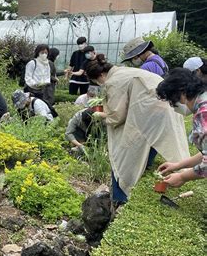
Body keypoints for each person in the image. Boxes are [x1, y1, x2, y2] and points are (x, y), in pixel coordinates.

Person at [85, 57, 189, 205]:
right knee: (152, 142)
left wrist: (100, 115)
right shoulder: (125, 72)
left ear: (101, 75)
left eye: (97, 82)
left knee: (123, 158)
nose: (99, 84)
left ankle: (120, 198)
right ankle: (143, 171)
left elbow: (117, 116)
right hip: (166, 109)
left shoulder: (114, 81)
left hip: (150, 114)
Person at [156, 68, 207, 187]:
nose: (174, 106)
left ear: (182, 93)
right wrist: (178, 165)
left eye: (173, 101)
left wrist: (182, 176)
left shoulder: (203, 114)